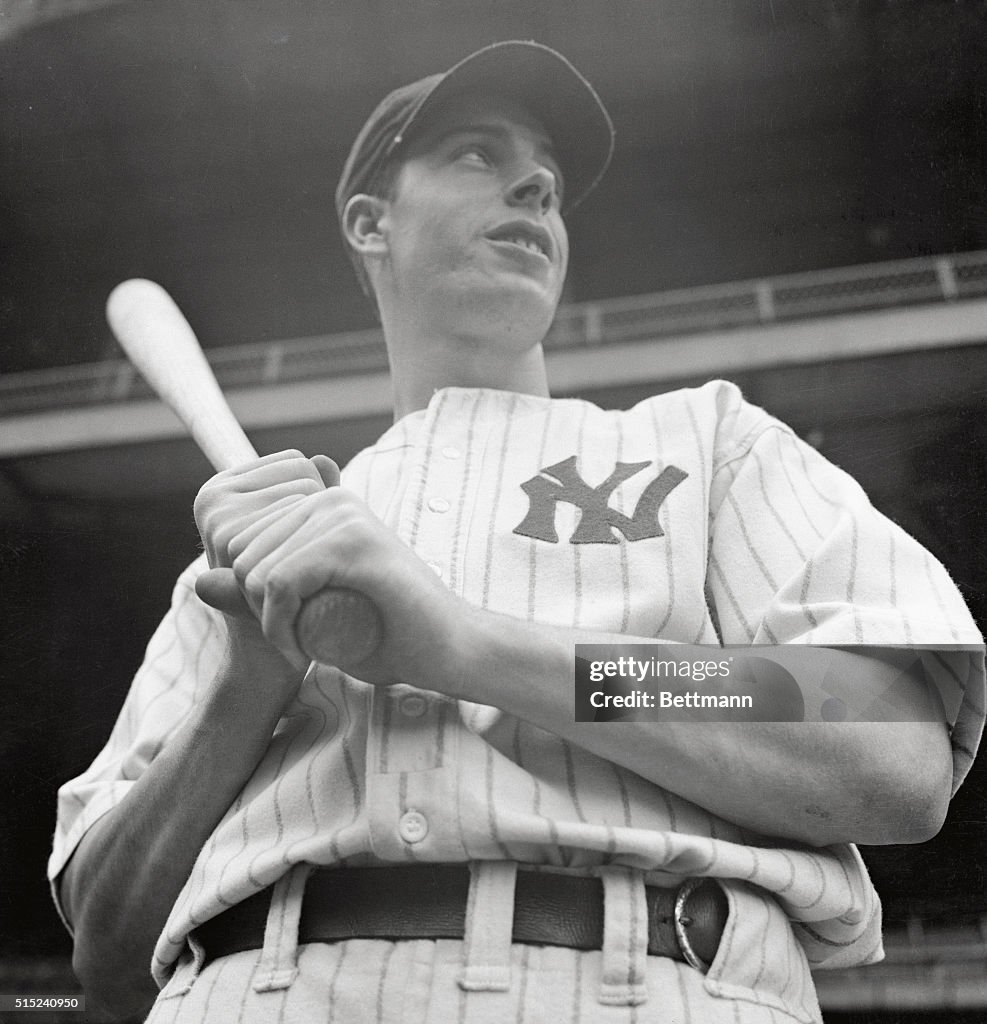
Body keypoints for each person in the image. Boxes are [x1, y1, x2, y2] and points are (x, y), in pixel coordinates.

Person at [50, 40, 984, 1024]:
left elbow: (896, 746)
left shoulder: (706, 443)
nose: (536, 183)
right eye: (474, 154)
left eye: (545, 174)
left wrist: (468, 645)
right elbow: (109, 959)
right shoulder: (249, 552)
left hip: (651, 987)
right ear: (372, 223)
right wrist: (245, 684)